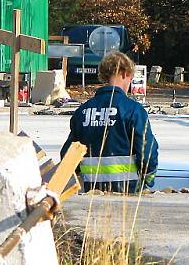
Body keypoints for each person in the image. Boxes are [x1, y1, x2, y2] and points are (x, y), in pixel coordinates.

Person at [61, 50, 158, 193]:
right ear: (125, 73)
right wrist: (149, 178)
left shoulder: (82, 112)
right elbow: (147, 151)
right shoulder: (134, 111)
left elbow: (68, 155)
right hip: (127, 193)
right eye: (130, 79)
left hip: (92, 193)